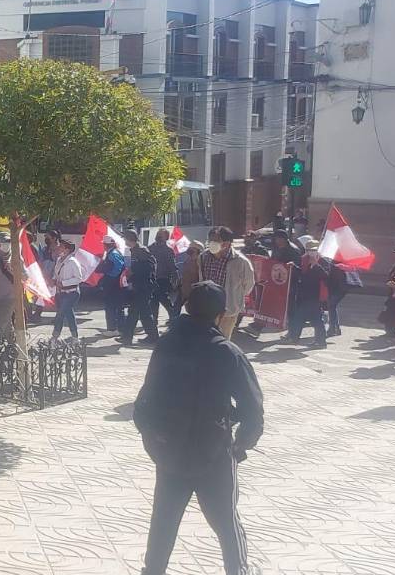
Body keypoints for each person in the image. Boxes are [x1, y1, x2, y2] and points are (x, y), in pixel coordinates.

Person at [134, 281, 264, 575]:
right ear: (220, 315)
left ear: (188, 309)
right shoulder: (227, 352)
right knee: (227, 524)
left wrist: (154, 438)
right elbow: (253, 409)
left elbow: (145, 398)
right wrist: (241, 444)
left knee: (163, 522)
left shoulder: (166, 344)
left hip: (169, 450)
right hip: (213, 452)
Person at [198, 227, 255, 341]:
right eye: (210, 240)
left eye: (216, 240)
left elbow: (248, 284)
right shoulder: (203, 257)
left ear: (227, 243)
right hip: (207, 308)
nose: (212, 243)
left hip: (228, 308)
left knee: (221, 340)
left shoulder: (240, 261)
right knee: (205, 339)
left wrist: (235, 295)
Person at [284, 240, 327, 347]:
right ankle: (294, 338)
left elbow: (326, 277)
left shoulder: (322, 261)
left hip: (315, 297)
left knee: (317, 320)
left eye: (313, 250)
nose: (310, 252)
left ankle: (321, 341)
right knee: (298, 318)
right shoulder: (304, 260)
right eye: (308, 250)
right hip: (303, 296)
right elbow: (303, 276)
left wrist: (316, 265)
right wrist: (294, 267)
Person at [121, 230, 160, 346]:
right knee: (144, 313)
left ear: (129, 239)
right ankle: (153, 337)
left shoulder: (141, 250)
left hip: (143, 286)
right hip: (140, 285)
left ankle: (127, 337)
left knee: (134, 312)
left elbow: (148, 268)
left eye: (125, 239)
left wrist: (132, 273)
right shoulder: (135, 250)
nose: (124, 241)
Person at [51, 240, 84, 341]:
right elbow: (56, 274)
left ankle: (55, 335)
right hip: (60, 293)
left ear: (67, 249)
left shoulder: (73, 262)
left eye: (61, 246)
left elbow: (79, 278)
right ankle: (75, 336)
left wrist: (64, 283)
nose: (59, 248)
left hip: (72, 293)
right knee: (69, 314)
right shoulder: (59, 260)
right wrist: (54, 279)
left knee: (60, 313)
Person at [96, 235, 126, 336]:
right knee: (118, 306)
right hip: (116, 283)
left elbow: (116, 269)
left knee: (110, 306)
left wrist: (109, 276)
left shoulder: (112, 254)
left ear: (105, 245)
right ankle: (120, 328)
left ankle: (112, 329)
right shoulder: (114, 253)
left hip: (112, 283)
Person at [148, 228, 179, 323]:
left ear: (166, 237)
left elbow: (172, 266)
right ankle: (155, 319)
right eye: (158, 234)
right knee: (154, 300)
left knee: (163, 298)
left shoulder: (168, 250)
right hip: (152, 277)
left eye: (161, 235)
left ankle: (173, 315)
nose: (159, 236)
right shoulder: (150, 248)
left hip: (163, 278)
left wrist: (175, 278)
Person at [178, 240, 204, 306]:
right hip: (184, 291)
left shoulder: (201, 263)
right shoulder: (187, 260)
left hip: (194, 293)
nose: (190, 252)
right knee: (176, 310)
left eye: (192, 250)